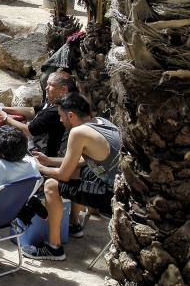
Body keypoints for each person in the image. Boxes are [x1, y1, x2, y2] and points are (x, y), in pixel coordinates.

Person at [23, 93, 121, 261]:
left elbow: (63, 174)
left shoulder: (78, 133)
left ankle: (54, 248)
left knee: (52, 185)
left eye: (61, 117)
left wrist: (39, 167)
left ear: (70, 116)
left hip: (110, 196)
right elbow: (82, 160)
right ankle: (74, 225)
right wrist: (49, 160)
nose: (60, 121)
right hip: (121, 187)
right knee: (75, 172)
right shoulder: (102, 122)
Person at [0, 70, 77, 157]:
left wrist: (5, 118)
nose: (46, 88)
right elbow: (32, 111)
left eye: (50, 85)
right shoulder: (52, 103)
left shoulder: (56, 111)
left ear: (63, 90)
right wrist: (3, 108)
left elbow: (28, 130)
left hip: (43, 157)